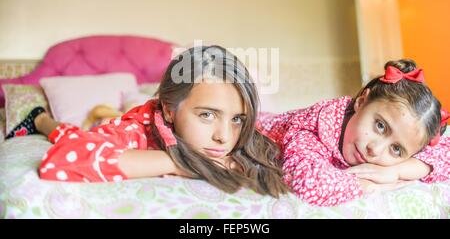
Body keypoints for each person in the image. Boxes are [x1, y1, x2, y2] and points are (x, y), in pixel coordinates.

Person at [6, 45, 290, 197]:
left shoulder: (240, 132)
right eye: (207, 114)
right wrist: (184, 163)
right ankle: (40, 118)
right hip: (125, 124)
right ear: (168, 110)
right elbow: (63, 161)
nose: (224, 137)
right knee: (72, 135)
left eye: (237, 118)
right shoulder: (134, 129)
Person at [256, 59, 449, 206]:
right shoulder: (314, 129)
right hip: (259, 126)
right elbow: (308, 184)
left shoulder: (406, 139)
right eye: (380, 126)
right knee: (254, 110)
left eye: (396, 149)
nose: (375, 149)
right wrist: (371, 185)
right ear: (361, 101)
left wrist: (394, 171)